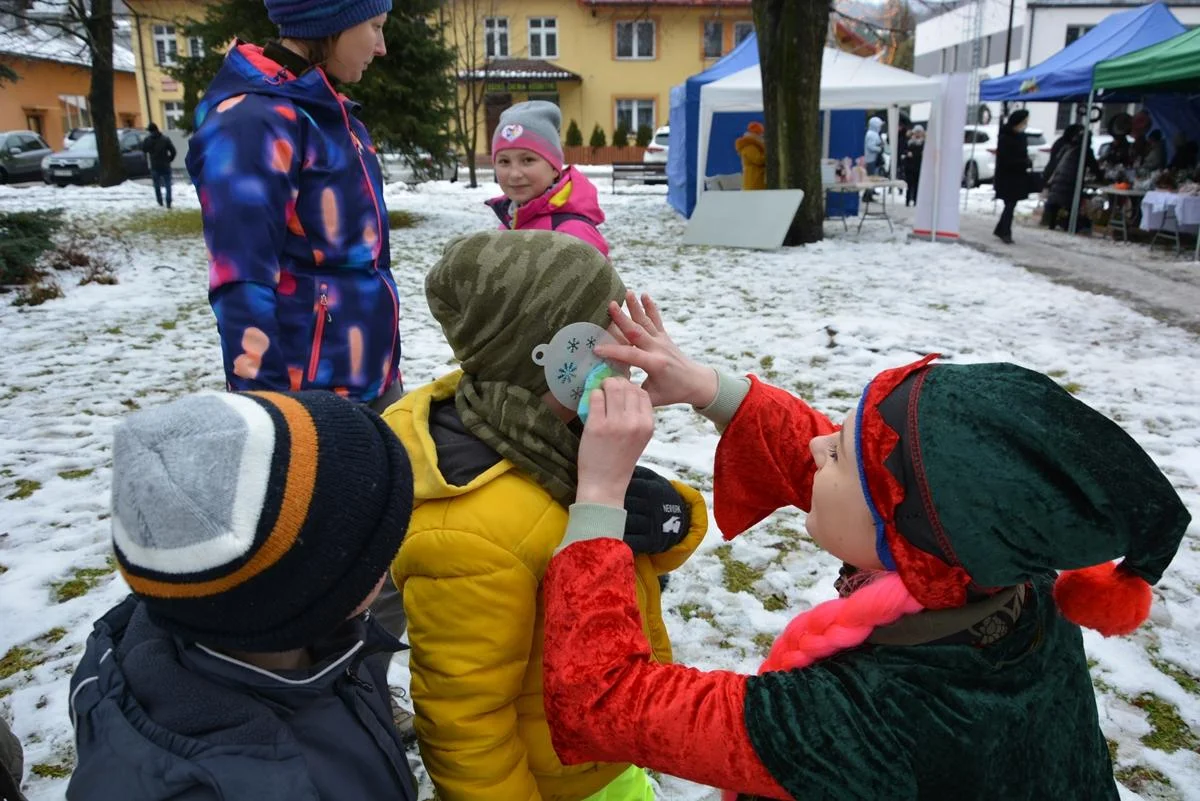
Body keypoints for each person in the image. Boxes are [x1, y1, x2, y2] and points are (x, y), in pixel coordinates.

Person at [537, 293, 1190, 801]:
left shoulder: (857, 716)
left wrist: (600, 491)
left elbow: (603, 697)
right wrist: (709, 388)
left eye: (839, 454)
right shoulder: (1008, 575)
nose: (819, 446)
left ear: (896, 536)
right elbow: (881, 485)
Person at [384, 231, 707, 801]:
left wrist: (665, 510)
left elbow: (637, 557)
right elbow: (465, 725)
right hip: (553, 781)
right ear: (552, 356)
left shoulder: (553, 436)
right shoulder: (471, 535)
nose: (629, 355)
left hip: (601, 749)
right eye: (609, 341)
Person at [67, 390, 419, 801]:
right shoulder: (226, 786)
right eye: (379, 547)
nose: (392, 553)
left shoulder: (311, 642)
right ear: (320, 594)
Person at [186, 0, 403, 410]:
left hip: (369, 381)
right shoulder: (254, 121)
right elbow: (241, 281)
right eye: (374, 26)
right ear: (331, 22)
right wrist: (273, 415)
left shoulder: (327, 110)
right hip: (309, 401)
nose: (381, 47)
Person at [486, 101, 610, 257]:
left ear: (554, 168)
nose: (514, 174)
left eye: (528, 160)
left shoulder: (573, 234)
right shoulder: (509, 223)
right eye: (504, 161)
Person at [1042, 126, 1099, 231]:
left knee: (1056, 202)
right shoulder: (1085, 150)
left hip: (1058, 178)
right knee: (1072, 202)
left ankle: (1052, 224)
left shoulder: (1067, 146)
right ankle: (1070, 225)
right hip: (1071, 181)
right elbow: (1094, 167)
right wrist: (1100, 176)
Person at [992, 109, 1033, 244]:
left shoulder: (1022, 137)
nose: (1025, 125)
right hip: (1007, 176)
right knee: (1009, 204)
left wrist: (1026, 161)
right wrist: (1022, 162)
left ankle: (1002, 229)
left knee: (1011, 204)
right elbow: (1005, 159)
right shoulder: (1005, 137)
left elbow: (1023, 154)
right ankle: (1005, 231)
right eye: (1023, 122)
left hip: (1018, 176)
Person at [140, 122, 177, 210]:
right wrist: (169, 160)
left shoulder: (147, 140)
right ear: (157, 129)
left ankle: (160, 201)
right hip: (165, 165)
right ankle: (168, 202)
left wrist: (147, 159)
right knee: (168, 184)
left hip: (155, 166)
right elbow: (173, 151)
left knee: (157, 185)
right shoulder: (165, 139)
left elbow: (143, 151)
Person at [735, 121, 766, 191]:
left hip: (757, 179)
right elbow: (758, 160)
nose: (762, 137)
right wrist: (769, 156)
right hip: (753, 181)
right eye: (761, 134)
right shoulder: (749, 146)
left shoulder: (754, 146)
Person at [903, 125, 924, 207]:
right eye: (916, 132)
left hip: (919, 166)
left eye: (919, 132)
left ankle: (916, 200)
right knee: (909, 185)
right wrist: (907, 153)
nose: (918, 134)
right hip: (910, 166)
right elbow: (904, 150)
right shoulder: (909, 142)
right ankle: (907, 200)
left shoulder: (923, 143)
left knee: (917, 185)